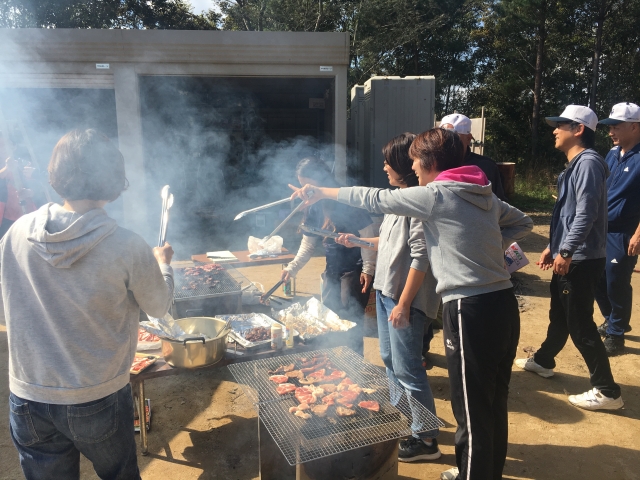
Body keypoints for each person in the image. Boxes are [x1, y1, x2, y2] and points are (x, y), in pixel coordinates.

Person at [291, 128, 533, 480]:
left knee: (471, 410)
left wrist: (322, 191)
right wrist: (482, 250)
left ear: (431, 162)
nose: (413, 167)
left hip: (469, 308)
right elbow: (524, 223)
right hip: (502, 303)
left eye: (416, 160)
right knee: (492, 402)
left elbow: (372, 199)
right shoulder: (481, 191)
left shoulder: (436, 194)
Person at [1, 129, 175, 480]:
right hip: (97, 395)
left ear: (55, 174)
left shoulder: (15, 233)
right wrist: (164, 265)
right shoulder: (127, 245)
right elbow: (159, 306)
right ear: (114, 180)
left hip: (29, 395)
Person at [336, 133, 442, 462]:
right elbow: (388, 242)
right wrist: (357, 241)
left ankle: (427, 439)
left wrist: (404, 304)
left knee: (409, 368)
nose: (384, 166)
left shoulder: (418, 204)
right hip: (386, 293)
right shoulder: (397, 200)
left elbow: (421, 257)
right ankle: (403, 418)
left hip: (404, 300)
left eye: (388, 162)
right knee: (389, 359)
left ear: (403, 166)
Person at [514, 105, 624, 411]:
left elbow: (586, 214)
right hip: (574, 254)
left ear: (578, 129)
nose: (555, 130)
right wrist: (554, 246)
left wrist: (567, 250)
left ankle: (607, 391)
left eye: (561, 125)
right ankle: (544, 360)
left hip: (581, 259)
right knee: (560, 314)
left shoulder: (587, 163)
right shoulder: (577, 164)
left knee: (580, 323)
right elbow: (570, 214)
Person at [281, 156, 376, 354]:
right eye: (301, 185)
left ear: (320, 178)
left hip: (354, 269)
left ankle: (355, 363)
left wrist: (368, 268)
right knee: (329, 318)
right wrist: (293, 267)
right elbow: (308, 242)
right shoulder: (313, 203)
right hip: (332, 268)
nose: (304, 190)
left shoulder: (345, 198)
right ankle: (334, 363)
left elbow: (367, 233)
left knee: (351, 321)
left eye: (307, 184)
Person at [594, 102, 640, 356]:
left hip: (624, 230)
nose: (610, 131)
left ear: (634, 127)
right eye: (609, 126)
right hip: (600, 227)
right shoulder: (612, 154)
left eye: (616, 126)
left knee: (616, 280)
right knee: (596, 277)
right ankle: (612, 318)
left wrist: (638, 234)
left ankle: (616, 334)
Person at [440, 113, 507, 201]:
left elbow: (498, 201)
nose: (446, 141)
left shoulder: (486, 166)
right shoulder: (434, 163)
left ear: (468, 139)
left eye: (453, 136)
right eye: (443, 136)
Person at [0, 129, 37, 238]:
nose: (3, 148)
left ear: (14, 146)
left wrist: (31, 192)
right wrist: (7, 168)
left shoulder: (25, 164)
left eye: (5, 145)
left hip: (29, 215)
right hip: (6, 219)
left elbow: (39, 188)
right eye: (0, 145)